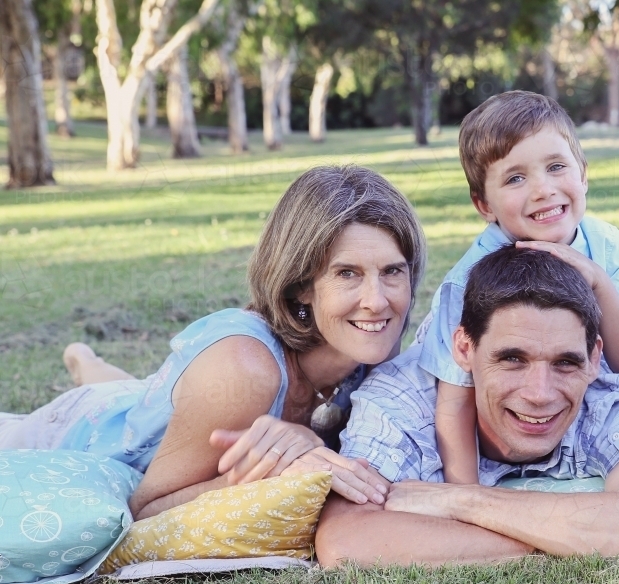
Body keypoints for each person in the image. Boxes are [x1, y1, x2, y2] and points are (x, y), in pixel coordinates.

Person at [0, 165, 427, 520]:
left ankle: (85, 360)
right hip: (85, 432)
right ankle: (84, 364)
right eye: (347, 273)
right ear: (301, 286)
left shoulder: (373, 346)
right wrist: (272, 472)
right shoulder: (243, 370)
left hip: (149, 404)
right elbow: (144, 509)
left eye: (392, 271)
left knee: (130, 388)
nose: (377, 301)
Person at [314, 245, 619, 567]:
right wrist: (580, 533)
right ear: (464, 349)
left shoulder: (616, 397)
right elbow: (346, 539)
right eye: (512, 360)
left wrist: (462, 501)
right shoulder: (402, 400)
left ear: (593, 358)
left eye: (565, 363)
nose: (540, 393)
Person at [420, 90, 619, 486]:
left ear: (583, 174)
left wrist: (598, 282)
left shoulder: (606, 244)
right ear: (484, 205)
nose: (543, 189)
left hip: (580, 392)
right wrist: (467, 495)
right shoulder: (467, 282)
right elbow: (454, 401)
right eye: (515, 178)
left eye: (556, 167)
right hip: (499, 421)